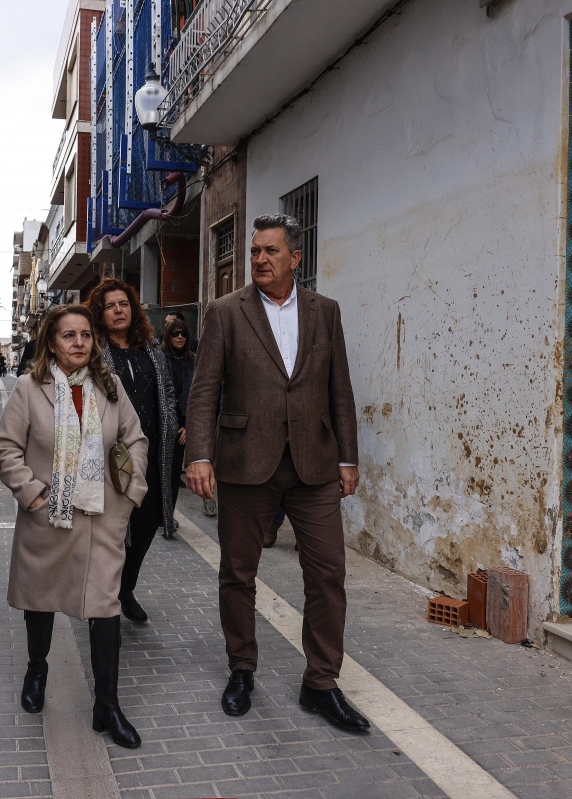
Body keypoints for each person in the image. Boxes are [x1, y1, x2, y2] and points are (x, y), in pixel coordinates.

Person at [185, 213, 368, 733]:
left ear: (296, 257)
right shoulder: (225, 312)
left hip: (313, 465)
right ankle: (241, 669)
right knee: (239, 575)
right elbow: (204, 390)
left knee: (328, 574)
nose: (260, 259)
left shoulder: (325, 312)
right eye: (255, 251)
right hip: (247, 463)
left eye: (270, 251)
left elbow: (341, 390)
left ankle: (321, 683)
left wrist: (348, 459)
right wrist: (199, 455)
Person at [0, 305, 149, 748]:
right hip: (49, 520)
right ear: (51, 342)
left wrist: (130, 491)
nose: (78, 343)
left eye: (85, 335)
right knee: (39, 601)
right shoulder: (28, 388)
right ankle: (37, 668)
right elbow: (5, 449)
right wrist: (34, 495)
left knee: (106, 606)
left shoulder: (110, 386)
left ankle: (108, 705)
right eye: (68, 336)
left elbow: (136, 438)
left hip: (101, 518)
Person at [86, 279, 177, 624]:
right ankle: (108, 595)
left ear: (133, 309)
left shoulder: (150, 348)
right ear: (100, 314)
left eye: (123, 304)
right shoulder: (95, 352)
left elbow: (167, 392)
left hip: (154, 453)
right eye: (110, 306)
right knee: (115, 529)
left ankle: (125, 587)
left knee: (148, 523)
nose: (118, 310)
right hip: (114, 455)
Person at [161, 317, 194, 539]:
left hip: (182, 428)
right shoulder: (160, 359)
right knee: (159, 473)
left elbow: (199, 395)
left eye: (183, 333)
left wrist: (189, 426)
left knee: (173, 474)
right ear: (168, 337)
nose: (179, 337)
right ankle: (161, 515)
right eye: (175, 333)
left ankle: (168, 516)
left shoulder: (193, 361)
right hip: (162, 424)